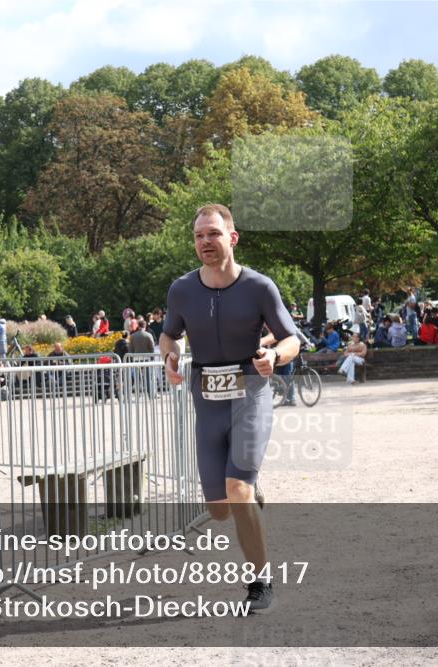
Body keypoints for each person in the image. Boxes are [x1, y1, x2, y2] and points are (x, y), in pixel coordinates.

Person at [159, 203, 299, 613]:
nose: (206, 241)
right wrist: (168, 357)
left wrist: (275, 358)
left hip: (250, 392)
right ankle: (248, 495)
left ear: (232, 238)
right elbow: (170, 336)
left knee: (237, 490)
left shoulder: (259, 287)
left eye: (214, 234)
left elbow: (291, 338)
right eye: (200, 235)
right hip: (206, 398)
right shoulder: (181, 289)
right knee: (219, 510)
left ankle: (261, 582)